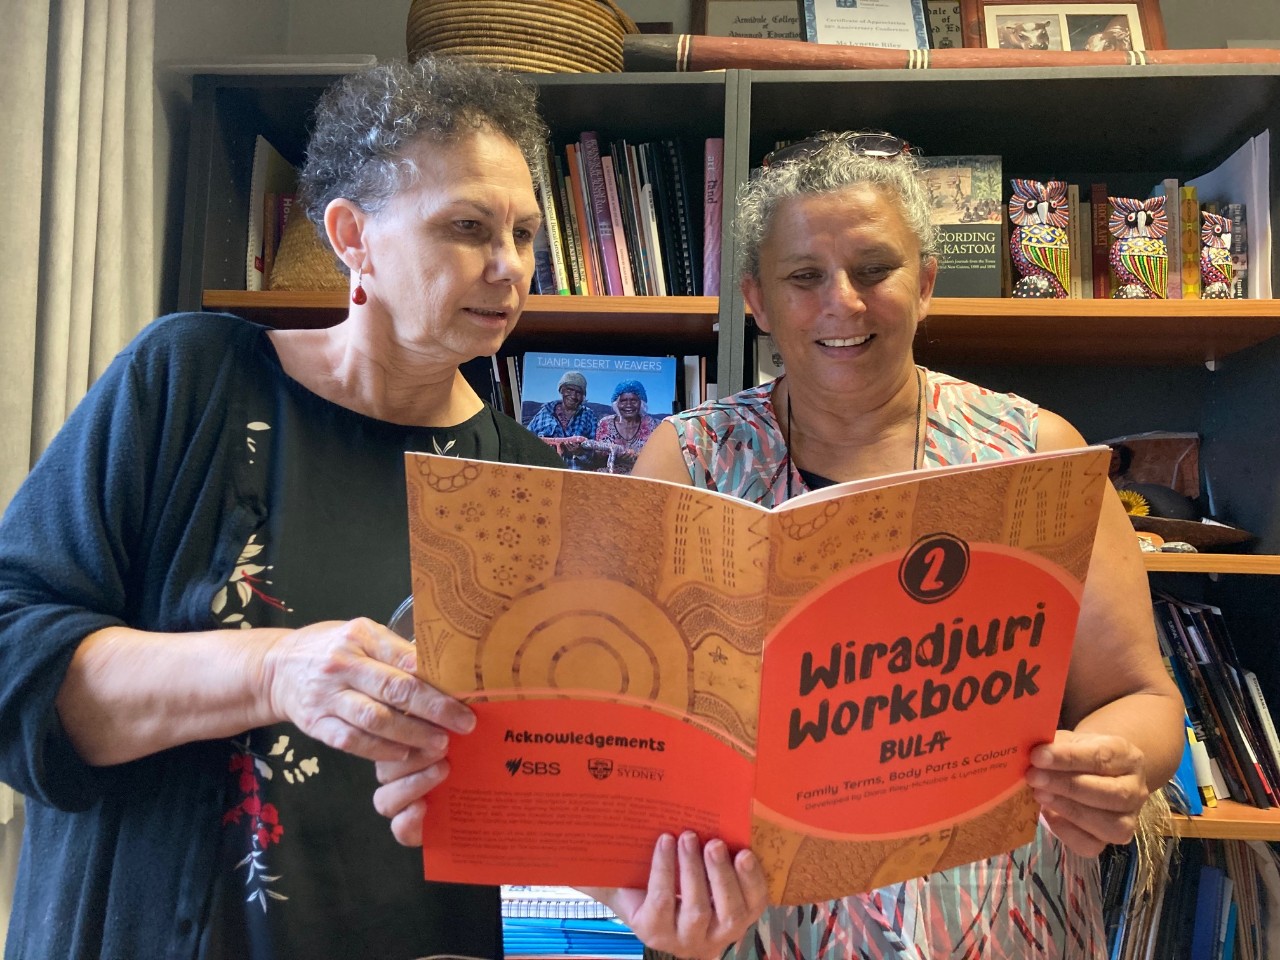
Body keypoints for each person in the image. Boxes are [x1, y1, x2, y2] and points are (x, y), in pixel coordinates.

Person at [0, 57, 764, 960]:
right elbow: (17, 661)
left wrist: (643, 896)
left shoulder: (523, 473)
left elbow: (522, 766)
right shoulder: (191, 378)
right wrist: (274, 669)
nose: (508, 266)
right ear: (352, 236)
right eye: (467, 227)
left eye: (523, 234)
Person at [633, 130, 1184, 958]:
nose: (842, 304)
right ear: (756, 300)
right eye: (804, 276)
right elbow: (633, 718)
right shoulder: (688, 460)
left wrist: (1117, 762)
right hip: (758, 928)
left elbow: (1145, 697)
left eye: (874, 270)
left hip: (1003, 922)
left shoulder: (1035, 453)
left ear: (925, 283)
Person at [527, 369, 600, 469]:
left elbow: (596, 458)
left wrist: (579, 452)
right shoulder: (544, 413)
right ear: (561, 390)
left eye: (578, 392)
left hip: (576, 479)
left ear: (583, 396)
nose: (573, 396)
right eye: (569, 390)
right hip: (546, 476)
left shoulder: (589, 416)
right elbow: (526, 442)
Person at [594, 379, 662, 474]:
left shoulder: (653, 424)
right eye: (623, 401)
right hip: (610, 477)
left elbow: (659, 458)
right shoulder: (605, 423)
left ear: (641, 403)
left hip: (642, 477)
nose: (628, 405)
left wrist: (636, 457)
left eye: (633, 400)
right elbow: (597, 457)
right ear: (617, 404)